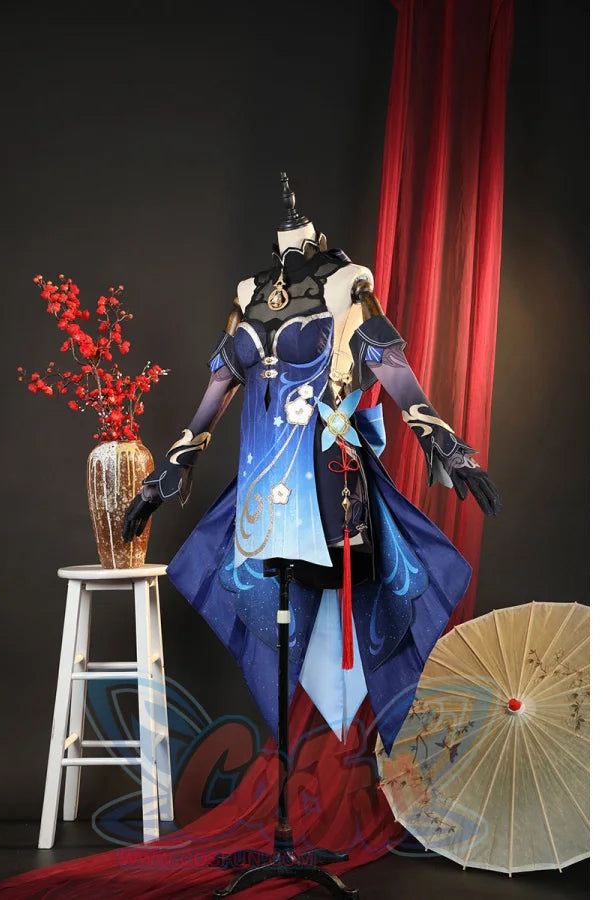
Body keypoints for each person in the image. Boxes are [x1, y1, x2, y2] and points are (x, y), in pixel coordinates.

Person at [123, 175, 500, 753]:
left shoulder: (349, 280)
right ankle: (288, 772)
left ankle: (333, 755)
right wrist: (169, 470)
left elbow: (390, 365)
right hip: (261, 485)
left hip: (325, 479)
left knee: (336, 615)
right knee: (268, 612)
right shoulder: (247, 290)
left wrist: (442, 440)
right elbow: (220, 387)